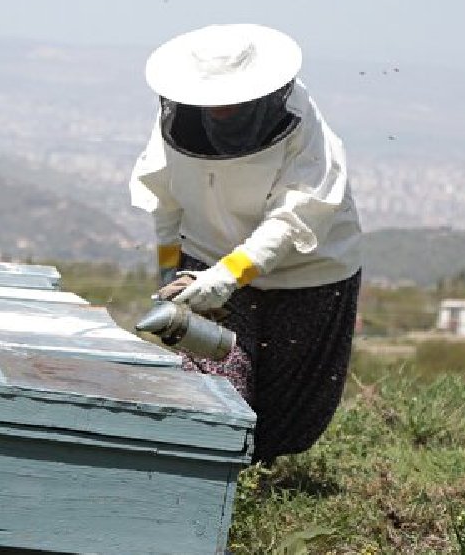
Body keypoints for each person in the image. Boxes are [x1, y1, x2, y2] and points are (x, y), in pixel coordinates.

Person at [129, 23, 362, 466]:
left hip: (307, 272)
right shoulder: (176, 117)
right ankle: (208, 476)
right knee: (216, 387)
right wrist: (169, 267)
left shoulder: (303, 127)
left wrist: (230, 275)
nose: (219, 110)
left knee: (287, 403)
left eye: (232, 100)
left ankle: (257, 480)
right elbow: (163, 199)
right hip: (208, 259)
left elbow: (293, 219)